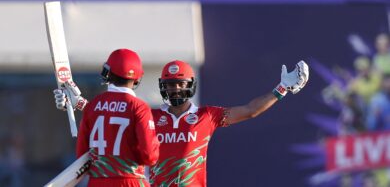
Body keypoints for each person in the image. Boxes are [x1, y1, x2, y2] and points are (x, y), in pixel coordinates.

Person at [54, 59, 309, 187]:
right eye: (170, 85)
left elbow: (250, 110)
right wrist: (77, 102)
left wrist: (282, 88)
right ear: (162, 87)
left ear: (190, 86)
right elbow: (110, 116)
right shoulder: (150, 116)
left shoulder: (207, 116)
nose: (175, 89)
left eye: (179, 84)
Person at [55, 49, 159, 187]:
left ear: (107, 73)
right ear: (137, 78)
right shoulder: (139, 107)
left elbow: (82, 154)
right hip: (131, 181)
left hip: (98, 182)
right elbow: (150, 156)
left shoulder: (93, 106)